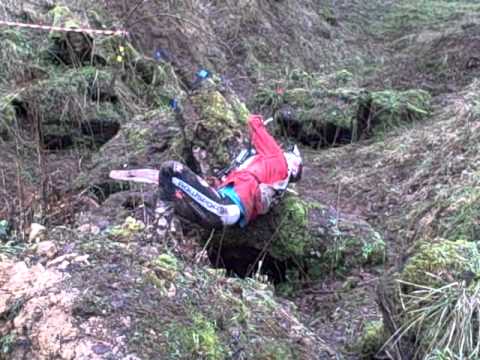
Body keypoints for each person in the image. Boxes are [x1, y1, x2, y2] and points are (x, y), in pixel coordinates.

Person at [110, 114, 303, 229]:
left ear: (294, 165)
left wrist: (260, 119)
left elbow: (253, 123)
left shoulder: (278, 160)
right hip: (225, 210)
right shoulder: (271, 177)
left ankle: (160, 229)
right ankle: (159, 227)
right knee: (167, 192)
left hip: (224, 207)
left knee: (171, 169)